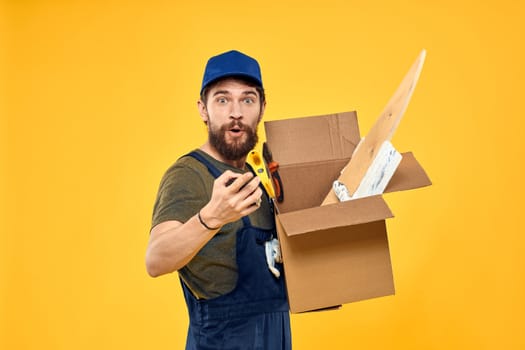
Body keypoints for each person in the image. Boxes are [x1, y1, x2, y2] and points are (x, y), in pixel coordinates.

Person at [145, 50, 291, 349]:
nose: (235, 112)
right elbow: (155, 260)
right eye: (222, 100)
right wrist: (210, 217)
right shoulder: (189, 174)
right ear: (203, 109)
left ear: (262, 108)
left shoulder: (261, 175)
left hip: (276, 338)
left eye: (247, 99)